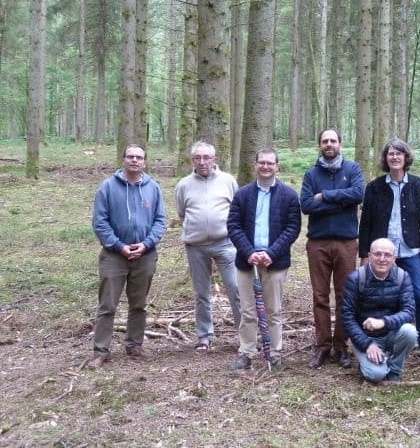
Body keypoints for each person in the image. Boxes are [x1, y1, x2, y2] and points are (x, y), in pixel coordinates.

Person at [358, 138, 420, 366]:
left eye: (399, 154)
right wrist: (365, 254)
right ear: (385, 158)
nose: (394, 157)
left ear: (406, 158)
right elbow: (366, 223)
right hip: (382, 256)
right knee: (378, 298)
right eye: (391, 154)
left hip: (410, 252)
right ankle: (378, 342)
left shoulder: (419, 186)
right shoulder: (374, 187)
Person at [88, 145, 166, 369]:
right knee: (107, 305)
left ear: (145, 161)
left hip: (145, 255)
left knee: (138, 304)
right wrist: (118, 245)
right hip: (114, 256)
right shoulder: (108, 187)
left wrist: (147, 244)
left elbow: (160, 221)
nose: (134, 160)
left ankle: (134, 345)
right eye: (130, 157)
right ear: (123, 160)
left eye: (139, 157)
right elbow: (100, 222)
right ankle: (100, 351)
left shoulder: (153, 188)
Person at [227, 148, 301, 371]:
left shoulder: (289, 195)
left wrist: (271, 253)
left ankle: (275, 352)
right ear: (255, 164)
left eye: (270, 163)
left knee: (273, 309)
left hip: (275, 262)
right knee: (248, 310)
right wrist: (249, 252)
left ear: (277, 166)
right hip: (246, 261)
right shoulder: (242, 194)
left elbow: (292, 228)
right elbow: (233, 225)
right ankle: (246, 352)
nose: (266, 167)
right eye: (262, 163)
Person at [300, 128, 365, 369]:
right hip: (317, 243)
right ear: (320, 145)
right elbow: (306, 205)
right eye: (325, 141)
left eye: (333, 140)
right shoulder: (310, 174)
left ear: (340, 143)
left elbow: (358, 194)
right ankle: (322, 346)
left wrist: (325, 196)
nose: (329, 144)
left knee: (344, 296)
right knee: (320, 296)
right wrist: (341, 201)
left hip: (346, 243)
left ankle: (341, 346)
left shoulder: (352, 169)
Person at [175, 141, 241, 351]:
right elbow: (181, 213)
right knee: (201, 293)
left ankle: (246, 335)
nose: (202, 162)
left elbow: (237, 210)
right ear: (192, 160)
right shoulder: (183, 185)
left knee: (236, 288)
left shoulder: (228, 181)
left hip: (225, 243)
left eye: (206, 158)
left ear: (215, 160)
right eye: (198, 158)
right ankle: (204, 335)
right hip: (196, 246)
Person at [342, 238, 417, 383]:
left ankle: (394, 369)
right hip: (365, 337)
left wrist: (383, 322)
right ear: (369, 256)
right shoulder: (356, 279)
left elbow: (409, 311)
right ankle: (372, 362)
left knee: (410, 331)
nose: (382, 259)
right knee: (376, 375)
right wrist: (367, 344)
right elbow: (347, 317)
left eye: (387, 255)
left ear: (394, 258)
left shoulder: (402, 277)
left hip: (391, 333)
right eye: (377, 254)